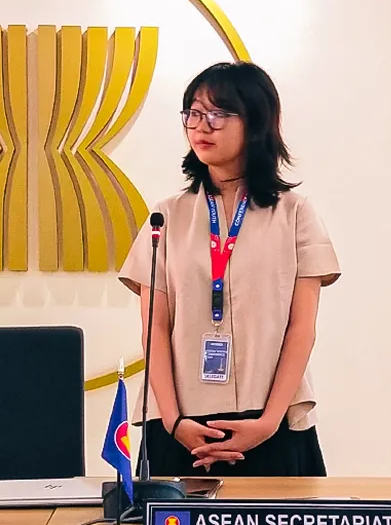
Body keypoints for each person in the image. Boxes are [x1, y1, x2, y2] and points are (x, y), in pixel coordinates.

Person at [119, 61, 340, 477]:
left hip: (272, 422)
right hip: (180, 423)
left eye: (218, 114)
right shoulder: (165, 216)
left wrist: (268, 422)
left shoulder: (295, 214)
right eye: (194, 113)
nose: (202, 126)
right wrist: (172, 421)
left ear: (256, 123)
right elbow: (154, 329)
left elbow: (301, 329)